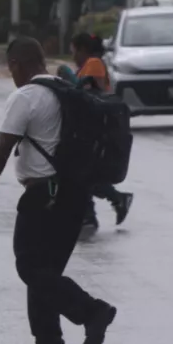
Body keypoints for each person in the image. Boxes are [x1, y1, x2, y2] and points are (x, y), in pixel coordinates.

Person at [0, 36, 118, 344]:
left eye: (11, 68)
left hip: (45, 195)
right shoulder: (66, 92)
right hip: (76, 194)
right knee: (45, 273)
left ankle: (92, 311)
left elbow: (0, 151)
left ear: (16, 65)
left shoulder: (26, 96)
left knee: (30, 266)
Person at [69, 33, 133, 229]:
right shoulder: (87, 65)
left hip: (95, 129)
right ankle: (97, 210)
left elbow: (90, 92)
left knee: (82, 173)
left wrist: (73, 85)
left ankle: (94, 212)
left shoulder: (94, 64)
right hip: (85, 127)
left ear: (83, 50)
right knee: (84, 172)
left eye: (74, 51)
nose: (73, 56)